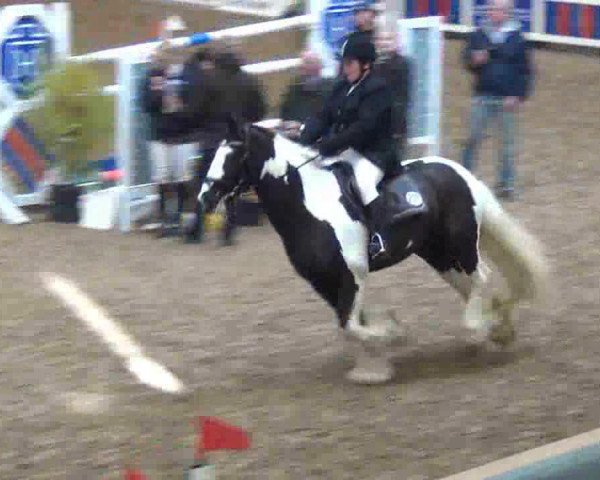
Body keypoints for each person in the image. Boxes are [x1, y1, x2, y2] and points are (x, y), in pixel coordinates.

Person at [299, 34, 396, 259]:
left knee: (363, 184)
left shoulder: (378, 89)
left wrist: (329, 144)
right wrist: (304, 140)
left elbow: (363, 128)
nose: (345, 68)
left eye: (349, 63)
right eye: (343, 63)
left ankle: (380, 237)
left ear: (366, 64)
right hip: (346, 150)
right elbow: (323, 117)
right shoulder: (342, 86)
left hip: (374, 153)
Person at [461, 0, 533, 200]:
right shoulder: (478, 34)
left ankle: (506, 185)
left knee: (507, 144)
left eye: (499, 10)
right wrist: (473, 60)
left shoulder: (517, 38)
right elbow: (466, 59)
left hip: (506, 99)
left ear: (507, 13)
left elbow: (525, 71)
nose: (494, 13)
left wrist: (518, 95)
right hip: (483, 95)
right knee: (472, 139)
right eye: (492, 9)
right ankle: (463, 181)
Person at [279, 51, 334, 139]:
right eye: (302, 69)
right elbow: (285, 116)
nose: (303, 72)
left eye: (309, 70)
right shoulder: (294, 88)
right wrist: (285, 125)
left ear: (318, 70)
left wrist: (302, 128)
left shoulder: (332, 90)